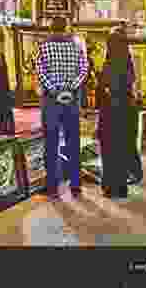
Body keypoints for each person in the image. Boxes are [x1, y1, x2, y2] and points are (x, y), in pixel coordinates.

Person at [35, 16, 89, 201]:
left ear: (51, 29)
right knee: (73, 142)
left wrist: (53, 89)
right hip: (71, 100)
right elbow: (84, 70)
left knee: (51, 144)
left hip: (51, 101)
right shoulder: (75, 47)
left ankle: (52, 187)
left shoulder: (44, 47)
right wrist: (71, 87)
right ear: (65, 28)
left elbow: (40, 72)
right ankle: (76, 186)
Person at [95, 30, 142, 200]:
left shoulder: (108, 64)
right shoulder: (129, 64)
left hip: (109, 115)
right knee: (122, 151)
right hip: (125, 114)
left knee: (108, 153)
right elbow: (133, 90)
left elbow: (101, 91)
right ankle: (121, 188)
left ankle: (109, 186)